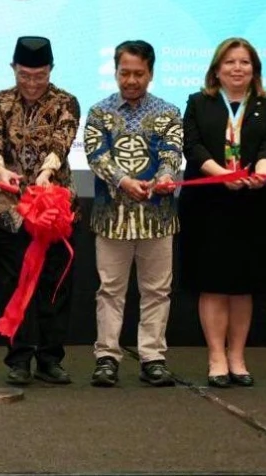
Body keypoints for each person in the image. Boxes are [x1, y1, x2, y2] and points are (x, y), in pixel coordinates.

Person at [179, 37, 266, 388]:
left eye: (244, 62)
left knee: (243, 285)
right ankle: (216, 357)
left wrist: (262, 172)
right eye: (230, 62)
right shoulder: (198, 103)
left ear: (255, 69)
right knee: (212, 283)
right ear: (217, 69)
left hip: (250, 205)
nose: (237, 68)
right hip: (207, 204)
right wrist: (222, 175)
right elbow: (192, 146)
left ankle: (237, 357)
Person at [84, 40, 183, 388]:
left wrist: (165, 177)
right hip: (112, 218)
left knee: (157, 290)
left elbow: (172, 152)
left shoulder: (169, 112)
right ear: (115, 71)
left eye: (138, 74)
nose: (130, 80)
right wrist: (123, 181)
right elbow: (96, 155)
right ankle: (107, 357)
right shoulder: (99, 112)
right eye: (124, 73)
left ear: (150, 73)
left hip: (157, 217)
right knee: (110, 290)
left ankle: (152, 357)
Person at [0, 36, 80, 386]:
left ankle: (50, 359)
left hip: (54, 208)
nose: (33, 83)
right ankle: (18, 358)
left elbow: (62, 141)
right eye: (25, 75)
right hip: (11, 210)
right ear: (14, 69)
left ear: (50, 70)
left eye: (40, 76)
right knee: (13, 286)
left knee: (54, 286)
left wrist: (46, 173)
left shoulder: (66, 101)